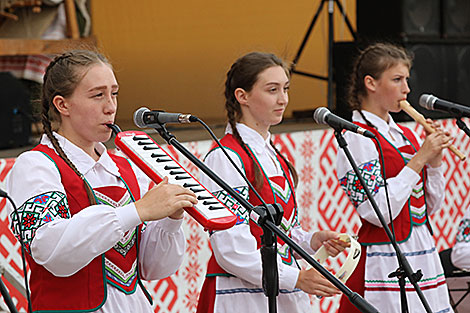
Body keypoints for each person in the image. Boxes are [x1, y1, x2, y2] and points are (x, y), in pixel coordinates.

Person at [5, 50, 198, 312]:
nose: (111, 106)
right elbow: (51, 251)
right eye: (98, 95)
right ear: (63, 105)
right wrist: (137, 211)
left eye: (114, 93)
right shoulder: (36, 165)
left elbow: (153, 268)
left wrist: (170, 218)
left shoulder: (123, 167)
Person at [196, 51, 349, 313]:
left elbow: (281, 234)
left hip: (280, 293)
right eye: (272, 90)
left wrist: (313, 240)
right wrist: (297, 278)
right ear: (242, 96)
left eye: (286, 88)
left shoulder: (272, 153)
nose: (283, 99)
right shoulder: (225, 157)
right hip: (242, 298)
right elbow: (231, 249)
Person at [336, 42, 454, 313]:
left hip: (421, 249)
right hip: (385, 257)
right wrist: (420, 159)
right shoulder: (355, 137)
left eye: (406, 80)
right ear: (371, 83)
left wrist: (434, 162)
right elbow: (376, 212)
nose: (406, 89)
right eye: (397, 80)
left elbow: (427, 209)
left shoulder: (404, 134)